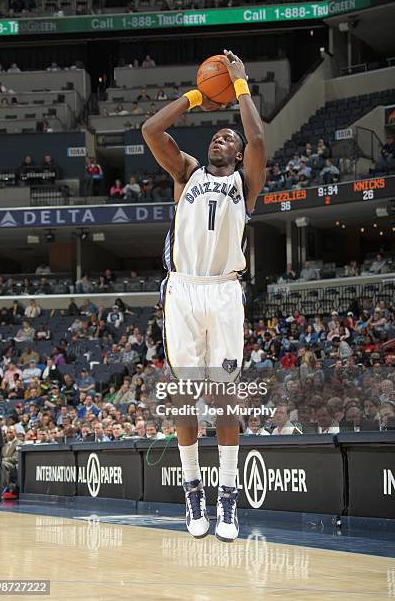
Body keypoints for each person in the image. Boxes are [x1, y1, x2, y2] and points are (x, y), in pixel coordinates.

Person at [142, 50, 266, 542]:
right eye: (218, 134)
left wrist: (238, 86)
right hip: (184, 291)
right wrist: (197, 94)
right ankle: (193, 490)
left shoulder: (245, 183)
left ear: (236, 155)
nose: (222, 137)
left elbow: (257, 136)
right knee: (186, 396)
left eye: (228, 138)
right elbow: (152, 131)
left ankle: (228, 499)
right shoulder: (186, 173)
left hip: (224, 294)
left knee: (225, 395)